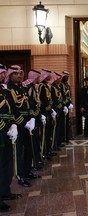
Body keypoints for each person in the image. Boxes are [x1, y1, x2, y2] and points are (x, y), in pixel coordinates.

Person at [6, 65, 35, 187]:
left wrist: (32, 117)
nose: (18, 76)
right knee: (18, 152)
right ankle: (20, 176)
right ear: (10, 75)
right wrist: (22, 122)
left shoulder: (23, 88)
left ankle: (27, 171)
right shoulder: (8, 89)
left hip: (27, 123)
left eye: (20, 73)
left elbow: (29, 104)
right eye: (15, 74)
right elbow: (12, 108)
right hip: (17, 124)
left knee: (29, 149)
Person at [0, 64, 22, 212]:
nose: (3, 75)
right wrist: (6, 127)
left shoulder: (4, 90)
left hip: (6, 132)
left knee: (6, 164)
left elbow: (12, 109)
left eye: (3, 73)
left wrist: (13, 124)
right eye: (1, 73)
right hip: (1, 132)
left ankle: (5, 192)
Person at [61, 71, 73, 142]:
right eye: (66, 77)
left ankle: (67, 136)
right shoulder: (61, 85)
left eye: (68, 77)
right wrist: (65, 105)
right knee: (63, 123)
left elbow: (69, 95)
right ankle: (64, 137)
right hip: (63, 106)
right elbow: (62, 96)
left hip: (67, 105)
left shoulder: (67, 85)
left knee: (67, 122)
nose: (67, 78)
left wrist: (70, 103)